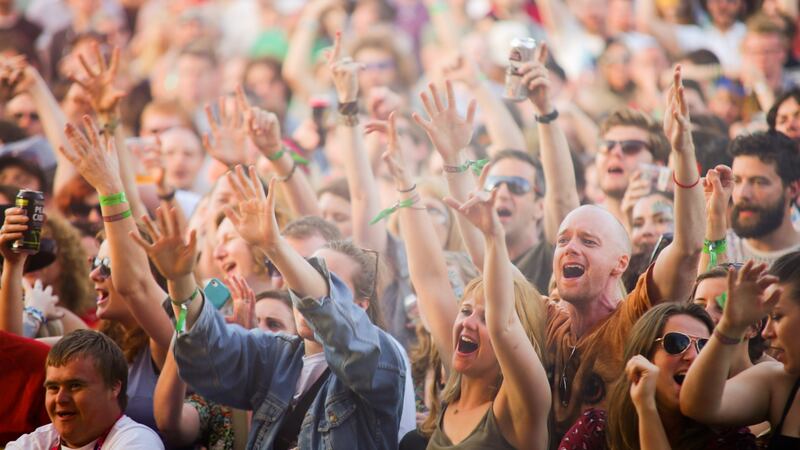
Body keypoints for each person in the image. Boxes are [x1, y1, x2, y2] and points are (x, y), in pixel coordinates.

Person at [140, 168, 406, 448]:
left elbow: (327, 311)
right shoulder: (277, 355)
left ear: (361, 306)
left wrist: (275, 246)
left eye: (325, 282)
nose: (302, 292)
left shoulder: (381, 357)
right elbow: (207, 350)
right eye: (304, 274)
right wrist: (181, 280)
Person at [545, 66, 706, 437]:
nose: (570, 248)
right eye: (563, 240)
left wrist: (682, 150)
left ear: (621, 263)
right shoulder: (547, 319)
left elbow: (688, 247)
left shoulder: (634, 318)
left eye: (588, 242)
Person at [383, 107, 550, 448]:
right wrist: (406, 186)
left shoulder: (519, 406)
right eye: (466, 310)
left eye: (484, 317)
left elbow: (504, 325)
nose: (468, 322)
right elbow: (429, 279)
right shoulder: (456, 381)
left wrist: (493, 238)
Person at [559, 303, 755, 450]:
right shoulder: (596, 432)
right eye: (677, 343)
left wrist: (647, 409)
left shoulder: (730, 439)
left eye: (704, 347)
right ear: (643, 356)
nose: (694, 356)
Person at [680, 257, 800, 449]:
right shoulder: (781, 383)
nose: (767, 332)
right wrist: (731, 326)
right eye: (699, 306)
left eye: (777, 316)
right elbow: (696, 405)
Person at [7, 329, 164, 449]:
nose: (60, 398)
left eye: (75, 385)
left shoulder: (137, 440)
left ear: (114, 387)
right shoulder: (35, 443)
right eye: (53, 387)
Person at [726, 131, 800, 266]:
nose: (743, 194)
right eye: (737, 181)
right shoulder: (719, 248)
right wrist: (713, 223)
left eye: (759, 182)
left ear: (793, 189)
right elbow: (707, 273)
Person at [594, 107, 671, 225]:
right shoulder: (584, 222)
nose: (616, 152)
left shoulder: (674, 224)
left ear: (657, 165)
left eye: (631, 147)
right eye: (607, 146)